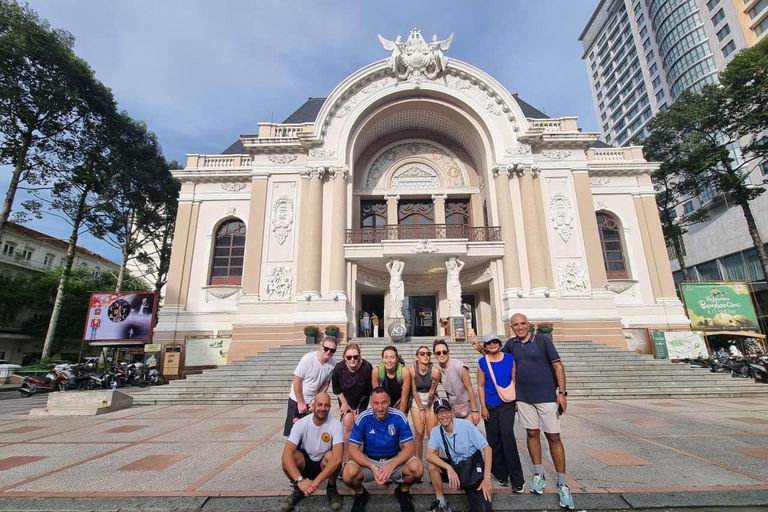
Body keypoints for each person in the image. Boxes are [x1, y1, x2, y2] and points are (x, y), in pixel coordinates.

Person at [505, 313, 574, 509]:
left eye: (523, 323)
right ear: (511, 327)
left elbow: (558, 366)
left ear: (528, 324)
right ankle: (538, 474)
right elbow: (497, 358)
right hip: (524, 398)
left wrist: (562, 393)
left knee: (553, 436)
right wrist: (480, 349)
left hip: (546, 396)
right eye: (516, 325)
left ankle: (562, 482)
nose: (520, 327)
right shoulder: (511, 345)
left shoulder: (543, 341)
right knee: (532, 433)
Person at [343, 387, 423, 512]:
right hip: (370, 461)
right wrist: (372, 466)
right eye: (376, 403)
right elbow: (352, 450)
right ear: (371, 403)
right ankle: (361, 494)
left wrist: (392, 464)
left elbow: (410, 448)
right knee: (348, 474)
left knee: (417, 468)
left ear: (389, 401)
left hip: (394, 460)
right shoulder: (363, 418)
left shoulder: (399, 416)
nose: (380, 408)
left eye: (384, 403)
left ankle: (403, 491)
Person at [477, 333, 525, 491]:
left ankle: (517, 478)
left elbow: (515, 380)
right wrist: (483, 407)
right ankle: (501, 474)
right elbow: (481, 386)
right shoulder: (482, 362)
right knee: (494, 440)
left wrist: (517, 400)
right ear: (485, 346)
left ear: (499, 343)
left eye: (495, 342)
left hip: (507, 404)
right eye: (489, 343)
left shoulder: (510, 358)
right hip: (490, 404)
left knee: (507, 436)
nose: (492, 345)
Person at [426, 398, 493, 512]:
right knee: (433, 466)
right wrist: (448, 467)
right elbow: (429, 455)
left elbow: (487, 448)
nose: (443, 415)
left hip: (472, 470)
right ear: (436, 416)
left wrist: (486, 479)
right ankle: (441, 503)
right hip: (456, 468)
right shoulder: (436, 431)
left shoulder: (466, 425)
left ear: (452, 412)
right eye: (440, 412)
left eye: (446, 411)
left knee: (483, 509)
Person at [281, 392, 344, 512]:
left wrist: (314, 483)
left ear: (330, 407)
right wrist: (300, 481)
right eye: (319, 404)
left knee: (333, 457)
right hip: (305, 462)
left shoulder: (336, 425)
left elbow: (338, 458)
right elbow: (286, 455)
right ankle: (298, 489)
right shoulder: (301, 423)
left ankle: (331, 488)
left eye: (326, 405)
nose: (323, 408)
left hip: (323, 464)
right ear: (313, 406)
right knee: (288, 460)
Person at [284, 336, 338, 437]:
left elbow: (325, 385)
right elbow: (297, 380)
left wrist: (315, 402)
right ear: (321, 346)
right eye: (326, 348)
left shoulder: (333, 364)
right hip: (297, 399)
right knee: (293, 434)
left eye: (332, 350)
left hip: (312, 402)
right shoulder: (308, 358)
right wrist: (300, 402)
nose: (328, 352)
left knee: (310, 433)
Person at [332, 343, 373, 463]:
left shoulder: (366, 367)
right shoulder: (339, 367)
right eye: (349, 357)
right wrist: (345, 404)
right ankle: (346, 459)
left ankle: (359, 459)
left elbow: (368, 389)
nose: (352, 360)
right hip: (345, 398)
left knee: (360, 423)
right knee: (348, 423)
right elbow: (336, 388)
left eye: (355, 357)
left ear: (359, 356)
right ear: (344, 357)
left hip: (362, 398)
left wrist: (358, 405)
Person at [433, 340, 480, 425]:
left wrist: (475, 411)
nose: (442, 355)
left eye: (444, 352)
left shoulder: (459, 366)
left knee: (468, 430)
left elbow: (469, 389)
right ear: (435, 355)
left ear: (448, 352)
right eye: (438, 353)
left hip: (468, 403)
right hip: (455, 406)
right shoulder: (437, 371)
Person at [410, 346, 441, 461]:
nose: (425, 356)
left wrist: (427, 408)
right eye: (422, 354)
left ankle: (435, 462)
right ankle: (418, 462)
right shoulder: (412, 370)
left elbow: (432, 392)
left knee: (432, 433)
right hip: (417, 398)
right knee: (419, 433)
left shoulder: (435, 371)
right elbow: (413, 391)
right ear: (416, 357)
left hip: (430, 398)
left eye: (428, 354)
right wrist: (421, 409)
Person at [371, 345, 412, 415]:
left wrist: (400, 416)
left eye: (392, 357)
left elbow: (404, 398)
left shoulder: (405, 372)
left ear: (397, 359)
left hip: (400, 400)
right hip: (384, 400)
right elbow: (377, 396)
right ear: (382, 359)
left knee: (400, 419)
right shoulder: (376, 371)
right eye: (386, 357)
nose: (389, 361)